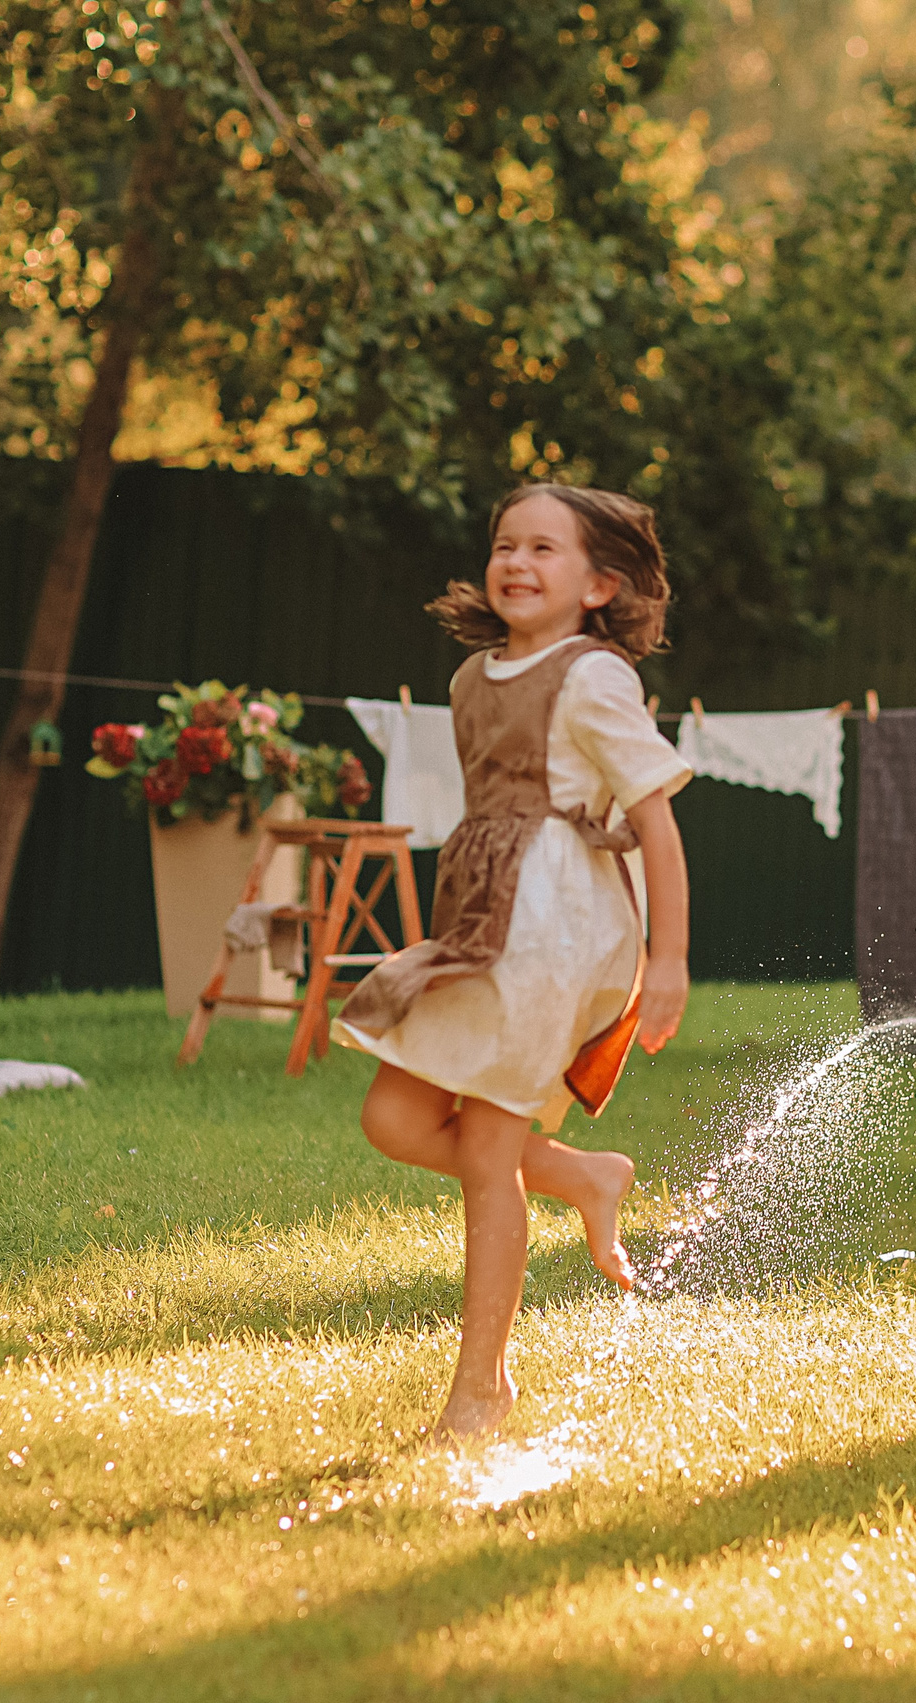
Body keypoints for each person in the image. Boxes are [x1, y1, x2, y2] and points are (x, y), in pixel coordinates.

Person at [334, 483, 693, 1440]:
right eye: (505, 545)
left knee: (489, 1152)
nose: (517, 564)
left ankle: (481, 1389)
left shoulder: (594, 676)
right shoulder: (469, 680)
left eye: (543, 548)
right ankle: (583, 1176)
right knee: (396, 1116)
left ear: (598, 583)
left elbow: (655, 817)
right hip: (484, 922)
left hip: (563, 933)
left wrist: (670, 959)